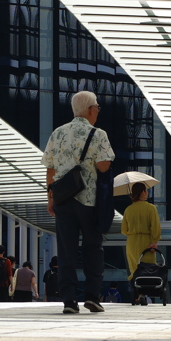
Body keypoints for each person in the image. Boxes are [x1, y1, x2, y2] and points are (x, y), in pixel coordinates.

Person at [43, 90, 115, 315]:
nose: (98, 112)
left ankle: (69, 301)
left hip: (63, 200)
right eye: (97, 108)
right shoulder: (98, 134)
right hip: (89, 200)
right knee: (93, 248)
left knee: (66, 251)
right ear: (90, 109)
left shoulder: (58, 133)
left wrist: (51, 198)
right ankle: (92, 297)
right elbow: (104, 165)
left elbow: (50, 169)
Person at [121, 181, 161, 302]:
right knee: (147, 268)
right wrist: (155, 241)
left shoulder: (128, 209)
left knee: (134, 268)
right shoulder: (151, 208)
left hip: (132, 242)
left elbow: (124, 230)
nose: (147, 193)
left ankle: (136, 293)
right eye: (146, 190)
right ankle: (143, 294)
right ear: (142, 192)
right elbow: (155, 227)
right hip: (146, 241)